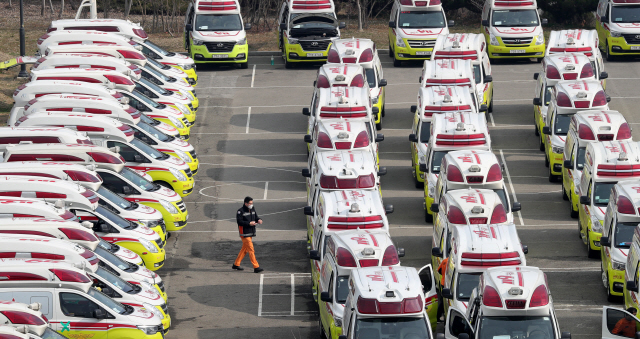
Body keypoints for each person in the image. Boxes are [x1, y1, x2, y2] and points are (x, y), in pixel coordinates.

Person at [233, 196, 264, 273]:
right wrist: (249, 223)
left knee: (244, 249)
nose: (251, 204)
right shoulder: (240, 211)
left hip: (250, 232)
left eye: (252, 203)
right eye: (250, 203)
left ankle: (236, 264)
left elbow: (256, 217)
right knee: (251, 249)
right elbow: (239, 222)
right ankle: (256, 266)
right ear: (245, 203)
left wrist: (259, 219)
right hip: (244, 233)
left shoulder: (252, 209)